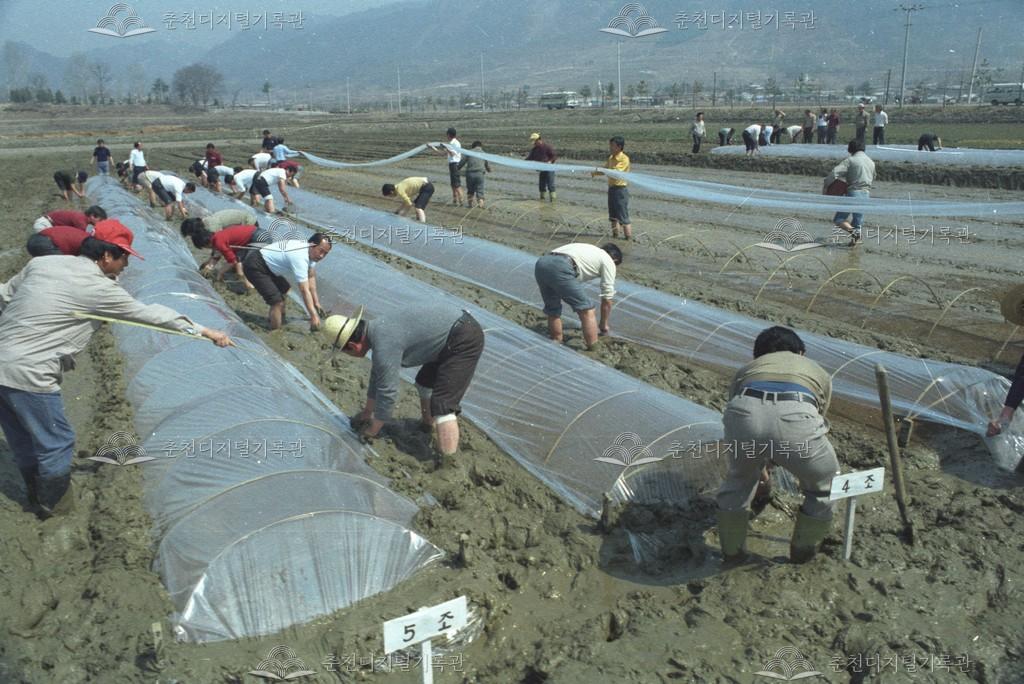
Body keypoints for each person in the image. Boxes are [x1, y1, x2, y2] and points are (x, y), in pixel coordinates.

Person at [0, 220, 234, 518]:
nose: (126, 265)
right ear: (107, 256)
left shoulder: (44, 264)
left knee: (21, 436)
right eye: (124, 258)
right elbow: (150, 315)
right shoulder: (100, 289)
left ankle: (35, 494)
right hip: (30, 373)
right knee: (56, 441)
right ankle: (55, 508)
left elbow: (5, 295)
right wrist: (205, 331)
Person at [715, 326, 839, 565]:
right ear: (801, 352)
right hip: (797, 416)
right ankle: (802, 556)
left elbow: (738, 412)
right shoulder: (816, 370)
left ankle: (733, 554)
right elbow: (818, 415)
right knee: (825, 486)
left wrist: (759, 468)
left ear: (758, 355)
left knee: (739, 481)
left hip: (745, 413)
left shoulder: (748, 369)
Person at [331, 303, 485, 461]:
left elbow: (387, 393)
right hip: (449, 336)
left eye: (344, 351)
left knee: (443, 406)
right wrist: (367, 412)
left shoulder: (384, 344)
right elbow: (377, 377)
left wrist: (373, 430)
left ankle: (447, 461)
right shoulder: (377, 329)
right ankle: (428, 425)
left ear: (353, 346)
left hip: (463, 338)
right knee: (424, 384)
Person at [534, 242, 622, 349]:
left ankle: (556, 341)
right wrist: (603, 324)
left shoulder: (589, 249)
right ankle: (593, 347)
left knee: (553, 309)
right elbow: (607, 298)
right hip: (562, 266)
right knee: (587, 310)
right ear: (615, 260)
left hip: (542, 262)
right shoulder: (608, 261)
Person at [242, 233, 332, 330]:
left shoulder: (312, 254)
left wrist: (316, 303)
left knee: (285, 289)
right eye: (321, 251)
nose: (322, 256)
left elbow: (311, 276)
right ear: (312, 245)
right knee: (277, 302)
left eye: (325, 253)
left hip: (269, 267)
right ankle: (275, 331)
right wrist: (313, 315)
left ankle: (278, 318)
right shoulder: (300, 256)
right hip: (255, 265)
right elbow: (304, 290)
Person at [181, 214, 267, 289]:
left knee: (247, 262)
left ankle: (249, 283)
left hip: (254, 232)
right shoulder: (211, 233)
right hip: (249, 233)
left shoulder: (213, 230)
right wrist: (211, 264)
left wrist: (216, 270)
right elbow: (222, 251)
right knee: (238, 259)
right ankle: (244, 278)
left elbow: (227, 255)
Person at [826, 139, 875, 246]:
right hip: (866, 194)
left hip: (853, 193)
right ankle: (854, 245)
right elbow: (873, 176)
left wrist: (826, 187)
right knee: (857, 222)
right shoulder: (871, 162)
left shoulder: (851, 160)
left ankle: (854, 233)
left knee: (839, 219)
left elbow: (834, 173)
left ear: (850, 149)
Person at [591, 136, 632, 240]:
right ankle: (615, 237)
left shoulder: (624, 159)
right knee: (613, 216)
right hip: (612, 189)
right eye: (610, 145)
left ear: (619, 147)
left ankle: (628, 238)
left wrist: (605, 170)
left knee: (623, 216)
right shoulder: (611, 158)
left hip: (620, 190)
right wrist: (595, 172)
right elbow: (605, 170)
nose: (610, 148)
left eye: (612, 145)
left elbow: (616, 172)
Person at [432, 127, 464, 206]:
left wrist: (446, 148)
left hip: (455, 164)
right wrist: (433, 148)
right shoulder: (451, 143)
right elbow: (443, 153)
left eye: (447, 135)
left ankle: (461, 202)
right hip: (452, 164)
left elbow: (452, 154)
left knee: (456, 184)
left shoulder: (455, 143)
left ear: (449, 135)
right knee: (453, 184)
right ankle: (455, 200)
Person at [457, 141, 491, 208]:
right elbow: (487, 165)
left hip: (470, 174)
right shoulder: (484, 153)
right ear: (480, 146)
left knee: (470, 190)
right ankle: (481, 205)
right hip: (480, 174)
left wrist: (457, 168)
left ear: (473, 146)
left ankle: (470, 205)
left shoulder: (469, 152)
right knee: (480, 190)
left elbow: (462, 162)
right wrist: (489, 170)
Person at [526, 132, 557, 201]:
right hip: (541, 169)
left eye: (534, 141)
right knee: (541, 186)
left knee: (550, 185)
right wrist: (522, 163)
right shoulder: (534, 149)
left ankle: (553, 200)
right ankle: (542, 200)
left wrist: (550, 161)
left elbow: (554, 156)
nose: (533, 143)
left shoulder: (547, 147)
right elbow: (530, 158)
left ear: (538, 140)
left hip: (549, 169)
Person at [26, 226, 92, 257]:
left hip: (39, 238)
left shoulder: (87, 238)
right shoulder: (87, 245)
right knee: (60, 264)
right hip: (44, 243)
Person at [33, 206, 106, 233]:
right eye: (100, 220)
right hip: (44, 225)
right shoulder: (80, 220)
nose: (100, 223)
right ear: (92, 216)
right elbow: (83, 237)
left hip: (48, 224)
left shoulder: (82, 218)